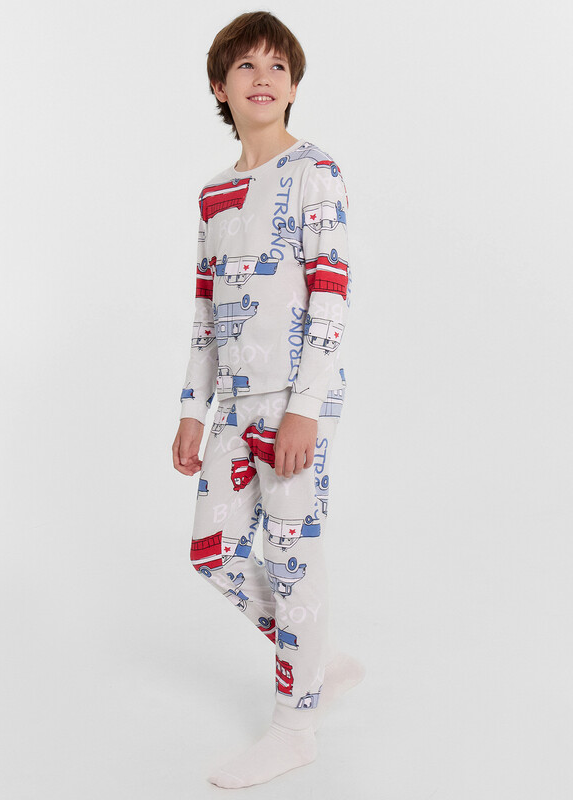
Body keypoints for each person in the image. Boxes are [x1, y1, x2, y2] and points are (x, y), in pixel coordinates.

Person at [171, 11, 365, 789]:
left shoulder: (315, 171)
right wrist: (193, 410)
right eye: (246, 66)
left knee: (292, 555)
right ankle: (315, 660)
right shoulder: (214, 193)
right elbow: (204, 308)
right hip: (234, 402)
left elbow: (332, 295)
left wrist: (305, 408)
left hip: (295, 398)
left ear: (293, 85)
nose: (263, 77)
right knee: (211, 551)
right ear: (220, 87)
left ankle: (295, 726)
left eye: (277, 66)